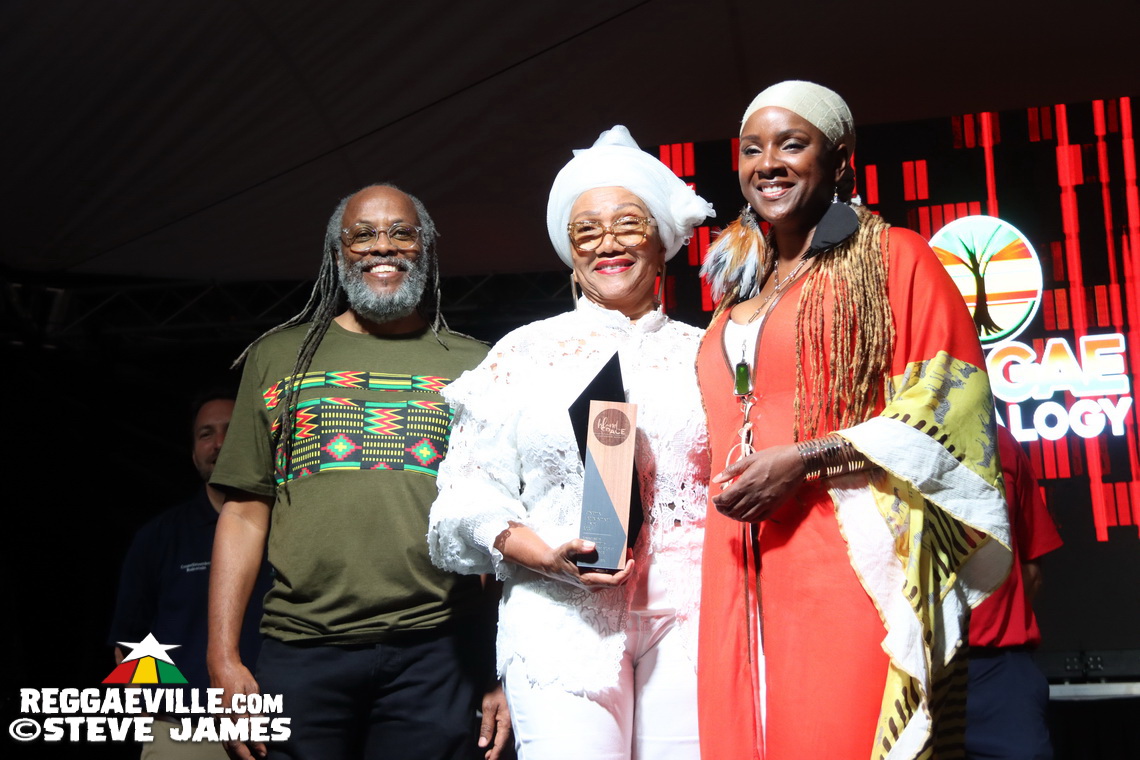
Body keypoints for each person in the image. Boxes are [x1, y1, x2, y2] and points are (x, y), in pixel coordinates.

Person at [696, 81, 1012, 760]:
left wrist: (806, 457)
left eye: (792, 143)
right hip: (737, 567)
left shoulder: (895, 258)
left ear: (840, 159)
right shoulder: (738, 290)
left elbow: (947, 410)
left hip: (843, 559)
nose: (768, 163)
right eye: (753, 149)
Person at [428, 125, 714, 760]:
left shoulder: (710, 355)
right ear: (569, 250)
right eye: (587, 231)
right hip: (558, 622)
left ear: (662, 240)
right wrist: (535, 551)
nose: (607, 243)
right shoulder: (525, 353)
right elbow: (463, 495)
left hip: (694, 623)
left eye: (627, 224)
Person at [207, 184, 508, 760]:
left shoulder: (475, 363)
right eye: (363, 234)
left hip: (440, 654)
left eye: (401, 232)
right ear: (336, 251)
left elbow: (499, 526)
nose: (382, 247)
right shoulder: (279, 355)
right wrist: (222, 657)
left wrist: (500, 665)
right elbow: (245, 513)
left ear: (426, 247)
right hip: (301, 650)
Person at [109, 392, 272, 760]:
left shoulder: (293, 526)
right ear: (193, 452)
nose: (218, 444)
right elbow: (129, 640)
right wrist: (164, 721)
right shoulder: (160, 536)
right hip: (188, 732)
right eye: (205, 434)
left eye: (231, 431)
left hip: (282, 723)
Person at [966, 425, 1063, 760]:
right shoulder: (997, 437)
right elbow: (1032, 574)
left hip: (995, 673)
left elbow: (1032, 572)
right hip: (995, 671)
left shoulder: (1000, 439)